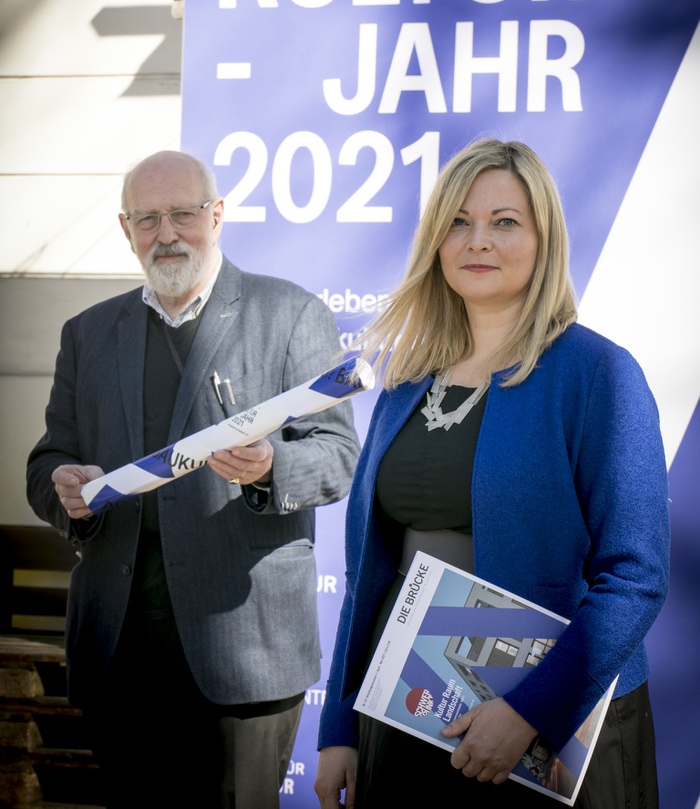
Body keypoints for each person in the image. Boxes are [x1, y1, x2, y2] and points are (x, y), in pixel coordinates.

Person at [314, 138, 670, 808]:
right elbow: (370, 579)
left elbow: (635, 576)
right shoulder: (406, 385)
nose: (477, 240)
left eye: (504, 222)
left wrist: (529, 712)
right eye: (458, 221)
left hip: (551, 732)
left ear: (543, 240)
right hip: (411, 713)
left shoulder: (598, 375)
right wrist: (341, 725)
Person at [26, 149, 360, 809]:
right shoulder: (87, 334)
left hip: (245, 651)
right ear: (126, 229)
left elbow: (338, 455)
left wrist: (271, 466)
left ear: (217, 215)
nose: (167, 233)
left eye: (182, 213)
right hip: (118, 652)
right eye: (147, 219)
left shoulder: (289, 314)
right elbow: (46, 463)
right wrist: (64, 486)